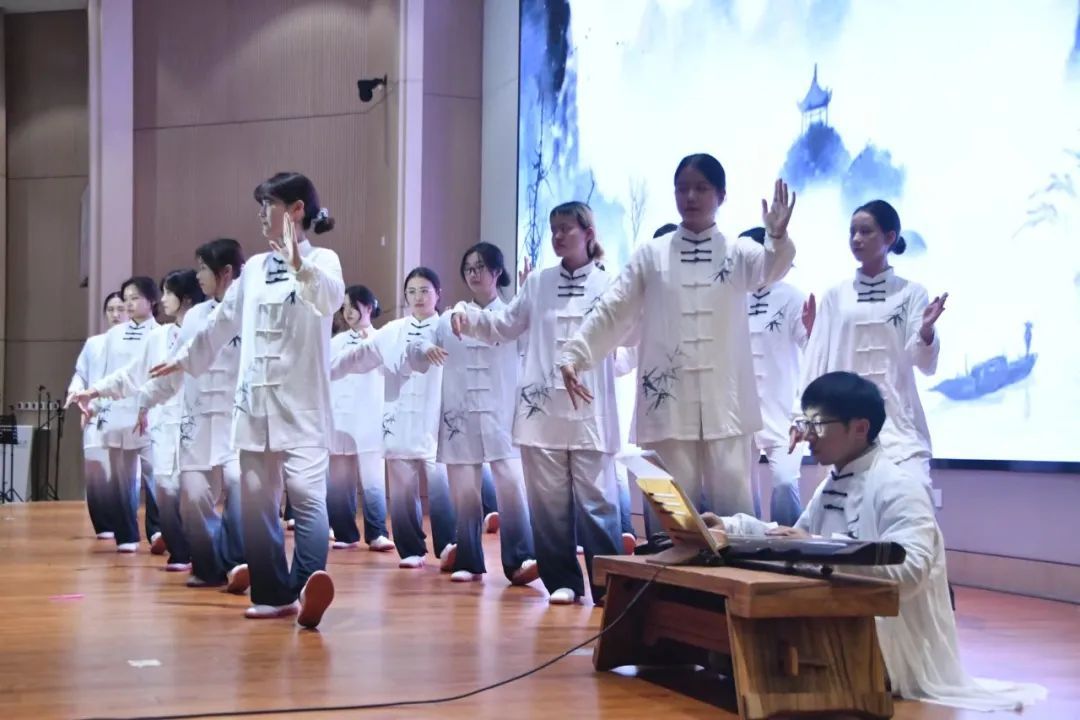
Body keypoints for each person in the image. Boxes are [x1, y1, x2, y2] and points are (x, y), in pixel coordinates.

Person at [706, 372, 1046, 712]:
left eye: (818, 424)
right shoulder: (833, 482)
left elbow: (910, 571)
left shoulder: (899, 486)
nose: (808, 435)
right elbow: (794, 538)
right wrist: (731, 527)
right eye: (804, 423)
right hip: (840, 618)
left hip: (884, 638)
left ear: (859, 427)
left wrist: (821, 548)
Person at [559, 155, 796, 530]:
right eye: (682, 188)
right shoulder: (650, 255)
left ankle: (734, 570)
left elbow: (771, 268)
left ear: (721, 194)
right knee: (673, 516)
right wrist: (575, 353)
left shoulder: (738, 252)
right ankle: (672, 570)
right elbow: (613, 308)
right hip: (669, 406)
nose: (691, 196)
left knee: (735, 511)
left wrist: (778, 237)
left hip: (728, 404)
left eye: (701, 188)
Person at [151, 172, 343, 628]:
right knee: (257, 505)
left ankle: (307, 587)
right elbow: (221, 323)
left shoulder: (325, 260)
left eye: (268, 205)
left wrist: (299, 263)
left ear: (296, 210)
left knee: (307, 499)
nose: (260, 215)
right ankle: (274, 594)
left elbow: (329, 299)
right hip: (254, 410)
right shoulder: (253, 268)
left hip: (304, 407)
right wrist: (185, 358)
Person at [451, 201, 623, 605]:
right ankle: (562, 580)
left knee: (598, 504)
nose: (558, 236)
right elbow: (505, 324)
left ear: (588, 233)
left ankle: (610, 587)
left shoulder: (610, 283)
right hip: (541, 413)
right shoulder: (539, 283)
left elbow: (627, 336)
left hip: (590, 411)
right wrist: (466, 315)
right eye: (553, 228)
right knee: (548, 504)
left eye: (566, 228)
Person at [791, 200, 946, 487]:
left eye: (865, 231)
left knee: (913, 490)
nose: (856, 239)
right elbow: (816, 360)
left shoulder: (911, 293)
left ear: (890, 237)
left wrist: (926, 331)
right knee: (840, 505)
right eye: (852, 232)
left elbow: (924, 363)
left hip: (897, 424)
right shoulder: (836, 295)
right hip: (843, 424)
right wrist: (802, 418)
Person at [410, 243, 537, 584]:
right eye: (469, 268)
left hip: (502, 415)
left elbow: (533, 351)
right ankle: (468, 558)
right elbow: (417, 351)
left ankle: (520, 560)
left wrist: (529, 298)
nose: (474, 274)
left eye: (481, 267)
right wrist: (425, 348)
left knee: (512, 488)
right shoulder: (449, 318)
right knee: (465, 493)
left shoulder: (512, 319)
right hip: (460, 418)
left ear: (497, 272)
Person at [139, 239, 248, 589]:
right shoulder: (197, 316)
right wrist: (144, 400)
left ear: (226, 272)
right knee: (193, 499)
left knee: (241, 487)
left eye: (203, 268)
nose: (198, 275)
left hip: (238, 420)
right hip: (197, 423)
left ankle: (237, 563)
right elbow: (177, 371)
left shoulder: (250, 311)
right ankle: (208, 566)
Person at [333, 268, 456, 570]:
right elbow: (358, 357)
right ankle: (411, 548)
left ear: (438, 294)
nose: (418, 297)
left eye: (425, 290)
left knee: (442, 488)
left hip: (437, 420)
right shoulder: (392, 331)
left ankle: (448, 546)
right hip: (398, 421)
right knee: (402, 490)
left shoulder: (449, 328)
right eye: (411, 291)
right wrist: (325, 369)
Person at [68, 277, 162, 553]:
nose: (129, 304)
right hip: (118, 414)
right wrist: (94, 405)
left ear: (151, 301)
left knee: (157, 475)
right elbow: (106, 375)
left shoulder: (161, 334)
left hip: (151, 413)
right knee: (121, 480)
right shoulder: (113, 336)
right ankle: (127, 535)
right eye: (126, 298)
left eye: (135, 298)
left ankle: (158, 531)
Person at [740, 226, 812, 526]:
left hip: (783, 414)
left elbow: (813, 351)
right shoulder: (733, 298)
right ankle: (747, 546)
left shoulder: (793, 298)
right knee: (742, 492)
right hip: (741, 414)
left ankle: (789, 546)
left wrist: (814, 332)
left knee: (784, 482)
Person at [326, 284, 394, 553]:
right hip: (340, 417)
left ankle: (377, 532)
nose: (348, 312)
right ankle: (344, 532)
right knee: (340, 479)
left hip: (369, 415)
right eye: (344, 307)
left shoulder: (382, 338)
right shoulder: (335, 342)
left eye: (353, 306)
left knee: (373, 478)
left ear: (368, 306)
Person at [66, 291, 128, 539]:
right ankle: (103, 525)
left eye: (120, 309)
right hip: (95, 413)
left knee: (124, 473)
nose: (116, 314)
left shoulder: (138, 342)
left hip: (123, 414)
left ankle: (124, 524)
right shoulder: (94, 343)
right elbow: (81, 373)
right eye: (111, 310)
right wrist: (75, 391)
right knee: (95, 469)